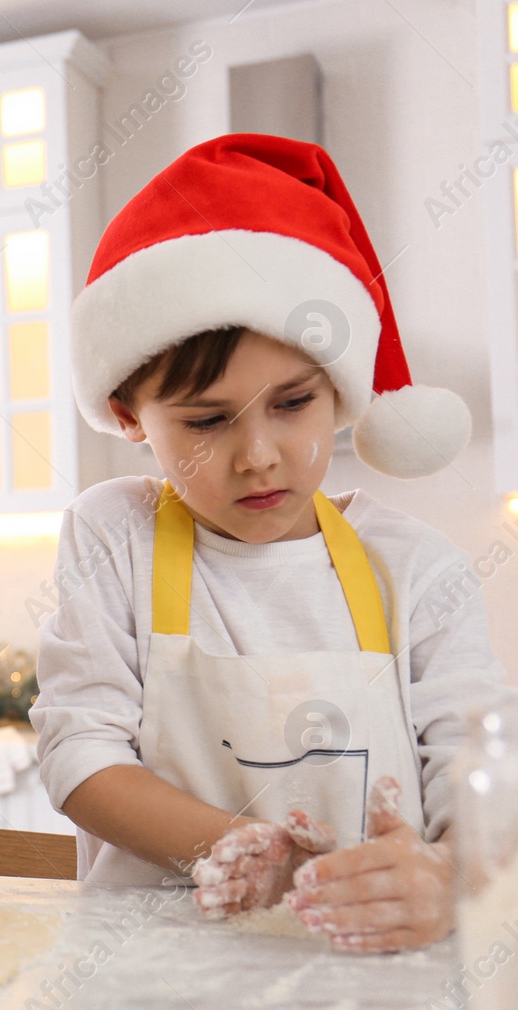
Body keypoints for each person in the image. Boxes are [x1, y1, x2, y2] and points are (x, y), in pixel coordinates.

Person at [32, 134, 504, 952]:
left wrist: (448, 876)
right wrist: (251, 854)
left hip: (370, 972)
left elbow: (486, 775)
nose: (258, 455)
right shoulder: (114, 534)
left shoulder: (419, 568)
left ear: (342, 392)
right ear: (127, 414)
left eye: (294, 403)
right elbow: (80, 755)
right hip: (147, 978)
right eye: (207, 420)